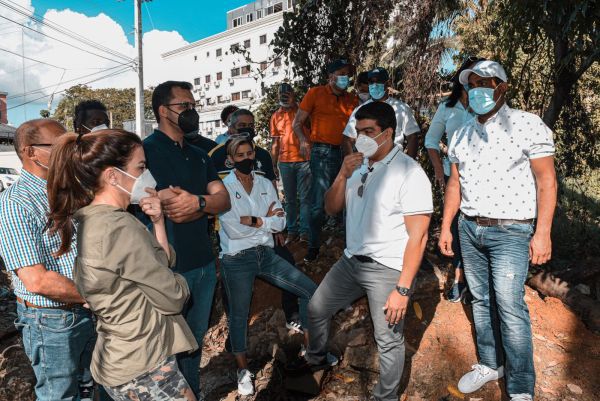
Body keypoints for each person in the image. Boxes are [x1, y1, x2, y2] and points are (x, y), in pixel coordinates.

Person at [288, 102, 432, 401]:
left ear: (389, 133)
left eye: (369, 131)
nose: (361, 137)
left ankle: (385, 397)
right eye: (358, 131)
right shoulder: (356, 166)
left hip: (388, 269)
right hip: (351, 261)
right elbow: (331, 207)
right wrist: (341, 174)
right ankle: (317, 359)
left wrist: (402, 289)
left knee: (388, 340)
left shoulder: (409, 172)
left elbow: (418, 236)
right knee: (316, 308)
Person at [46, 129, 198, 401]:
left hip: (122, 356)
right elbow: (172, 297)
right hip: (144, 362)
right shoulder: (120, 227)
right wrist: (183, 283)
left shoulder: (95, 220)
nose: (147, 174)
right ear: (113, 176)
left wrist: (158, 222)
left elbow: (158, 262)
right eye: (140, 167)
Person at [439, 60, 557, 401]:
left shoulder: (528, 125)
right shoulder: (460, 133)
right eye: (471, 84)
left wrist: (543, 233)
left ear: (502, 87)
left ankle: (520, 388)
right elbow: (455, 185)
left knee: (509, 305)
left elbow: (546, 181)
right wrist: (447, 226)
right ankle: (490, 364)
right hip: (469, 229)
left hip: (511, 232)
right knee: (480, 299)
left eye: (485, 83)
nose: (477, 91)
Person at [143, 80, 231, 398]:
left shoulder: (200, 154)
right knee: (166, 352)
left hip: (205, 264)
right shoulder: (145, 153)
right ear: (163, 111)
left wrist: (199, 204)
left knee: (194, 344)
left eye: (193, 105)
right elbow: (157, 206)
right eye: (184, 106)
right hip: (168, 270)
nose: (191, 111)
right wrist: (196, 204)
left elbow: (224, 200)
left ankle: (192, 393)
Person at [0, 119, 96, 401]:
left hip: (84, 309)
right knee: (60, 395)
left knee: (90, 387)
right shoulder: (16, 203)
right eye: (59, 147)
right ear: (31, 153)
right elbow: (36, 280)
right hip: (52, 320)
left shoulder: (71, 191)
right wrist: (93, 295)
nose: (69, 154)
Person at [218, 136, 318, 396]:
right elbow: (233, 228)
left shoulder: (263, 182)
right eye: (240, 155)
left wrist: (255, 221)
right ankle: (242, 370)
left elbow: (281, 222)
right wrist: (265, 220)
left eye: (249, 152)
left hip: (265, 252)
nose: (246, 158)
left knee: (309, 290)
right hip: (236, 258)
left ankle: (310, 351)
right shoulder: (222, 188)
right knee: (239, 315)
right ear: (230, 160)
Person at [210, 108, 305, 337]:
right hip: (229, 231)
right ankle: (235, 332)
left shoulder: (260, 154)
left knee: (288, 264)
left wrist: (275, 224)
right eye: (241, 124)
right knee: (231, 284)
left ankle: (293, 317)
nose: (246, 128)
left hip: (265, 231)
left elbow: (272, 192)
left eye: (250, 124)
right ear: (230, 125)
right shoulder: (214, 155)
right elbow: (212, 195)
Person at [424, 56, 484, 303]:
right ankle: (460, 280)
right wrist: (439, 170)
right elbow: (430, 140)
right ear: (463, 80)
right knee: (460, 229)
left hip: (486, 178)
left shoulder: (489, 106)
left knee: (480, 226)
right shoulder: (447, 108)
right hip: (455, 177)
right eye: (471, 78)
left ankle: (479, 282)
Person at [293, 58, 359, 262]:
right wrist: (304, 141)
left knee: (350, 198)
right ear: (330, 76)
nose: (344, 78)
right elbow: (297, 123)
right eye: (340, 74)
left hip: (347, 152)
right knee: (318, 202)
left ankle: (351, 246)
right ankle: (313, 245)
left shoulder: (352, 99)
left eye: (347, 74)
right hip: (322, 152)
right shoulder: (315, 93)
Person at [342, 67, 420, 159]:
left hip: (393, 162)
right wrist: (352, 166)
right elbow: (348, 138)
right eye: (371, 82)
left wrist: (409, 163)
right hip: (366, 164)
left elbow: (412, 137)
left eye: (378, 81)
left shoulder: (401, 108)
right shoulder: (360, 109)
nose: (374, 85)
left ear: (387, 84)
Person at [270, 83, 311, 244]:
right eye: (281, 94)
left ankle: (305, 233)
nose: (284, 96)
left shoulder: (302, 110)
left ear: (293, 94)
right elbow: (275, 143)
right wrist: (273, 164)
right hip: (285, 163)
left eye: (287, 94)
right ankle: (292, 231)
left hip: (304, 161)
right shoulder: (275, 116)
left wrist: (296, 104)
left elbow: (310, 125)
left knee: (306, 198)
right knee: (290, 200)